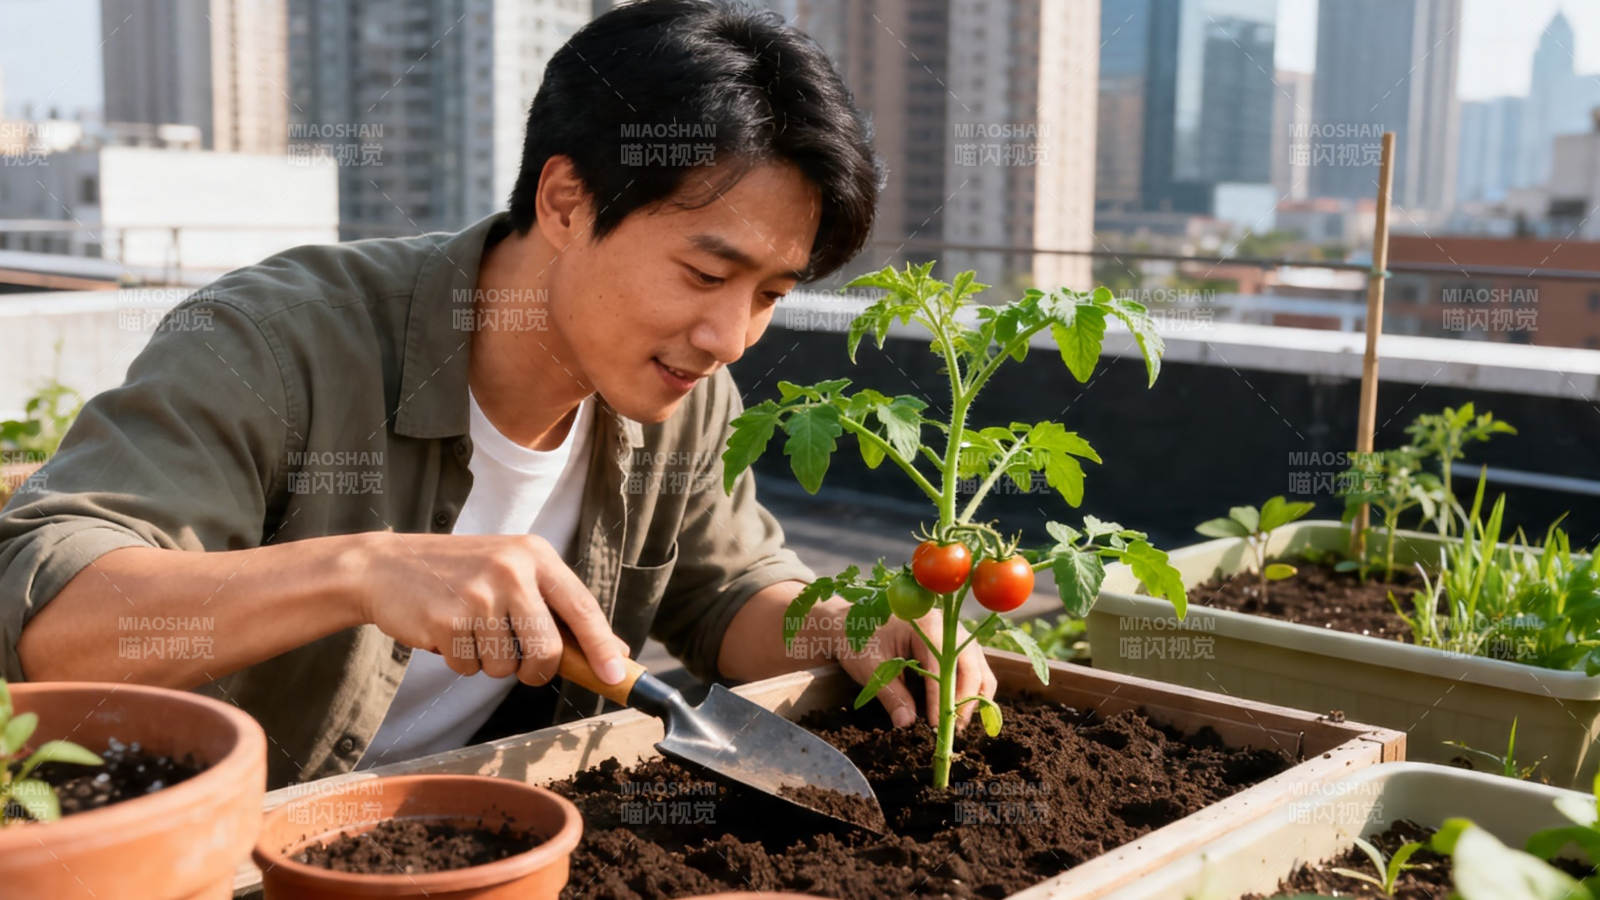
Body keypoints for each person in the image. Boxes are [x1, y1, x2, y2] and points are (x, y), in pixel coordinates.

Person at [0, 0, 995, 790]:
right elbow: (49, 616)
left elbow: (725, 595)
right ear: (565, 201)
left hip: (475, 836)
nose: (728, 336)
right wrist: (362, 570)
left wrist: (852, 625)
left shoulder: (681, 395)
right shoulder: (277, 342)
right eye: (704, 274)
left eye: (770, 296)